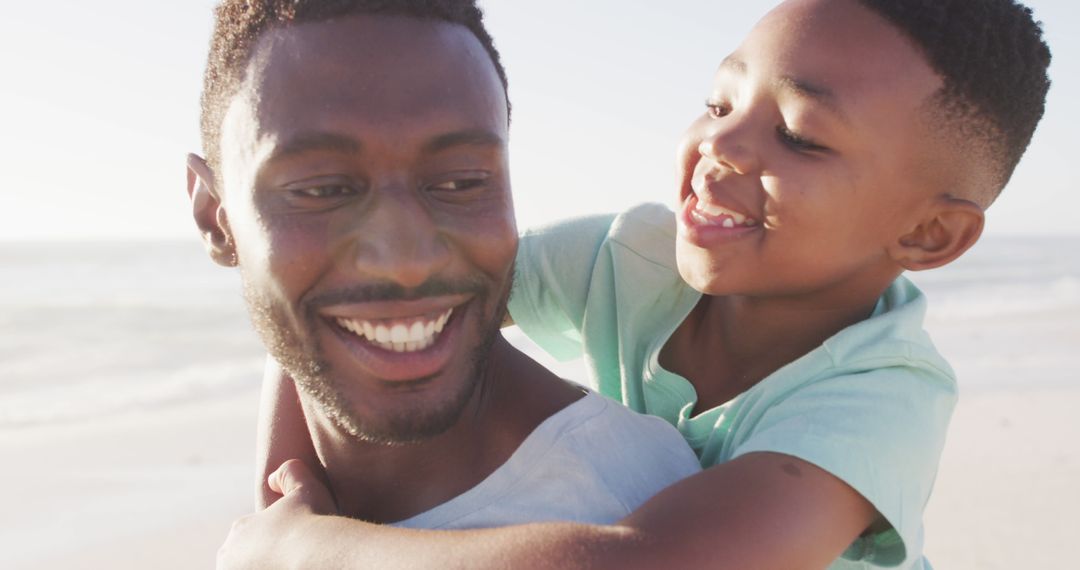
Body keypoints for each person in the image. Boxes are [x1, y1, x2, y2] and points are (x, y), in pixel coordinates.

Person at [231, 0, 1052, 568]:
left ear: (926, 233)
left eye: (799, 136)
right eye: (719, 100)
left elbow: (657, 565)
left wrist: (316, 554)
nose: (720, 144)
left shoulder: (881, 394)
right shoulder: (637, 258)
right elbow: (364, 303)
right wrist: (285, 506)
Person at [187, 0, 703, 555]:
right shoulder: (281, 523)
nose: (407, 262)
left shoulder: (630, 513)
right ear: (216, 218)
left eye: (460, 182)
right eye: (321, 189)